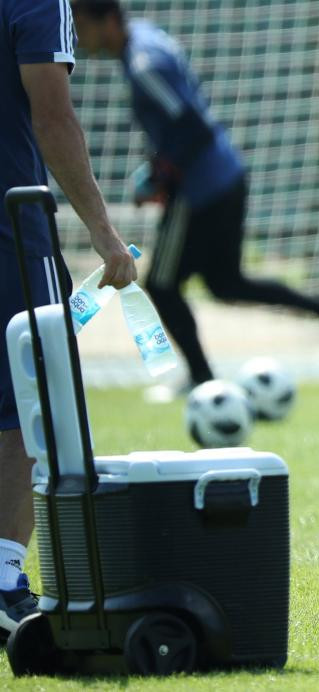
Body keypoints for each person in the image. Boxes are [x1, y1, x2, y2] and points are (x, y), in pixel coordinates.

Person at [70, 1, 319, 395]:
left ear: (106, 20)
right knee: (226, 284)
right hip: (224, 176)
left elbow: (190, 126)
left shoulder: (144, 65)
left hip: (201, 188)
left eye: (80, 25)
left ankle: (202, 380)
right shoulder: (146, 39)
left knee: (162, 285)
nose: (78, 36)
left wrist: (160, 175)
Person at [0, 0, 137, 639]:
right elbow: (53, 116)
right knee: (28, 403)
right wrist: (107, 237)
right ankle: (3, 584)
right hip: (9, 226)